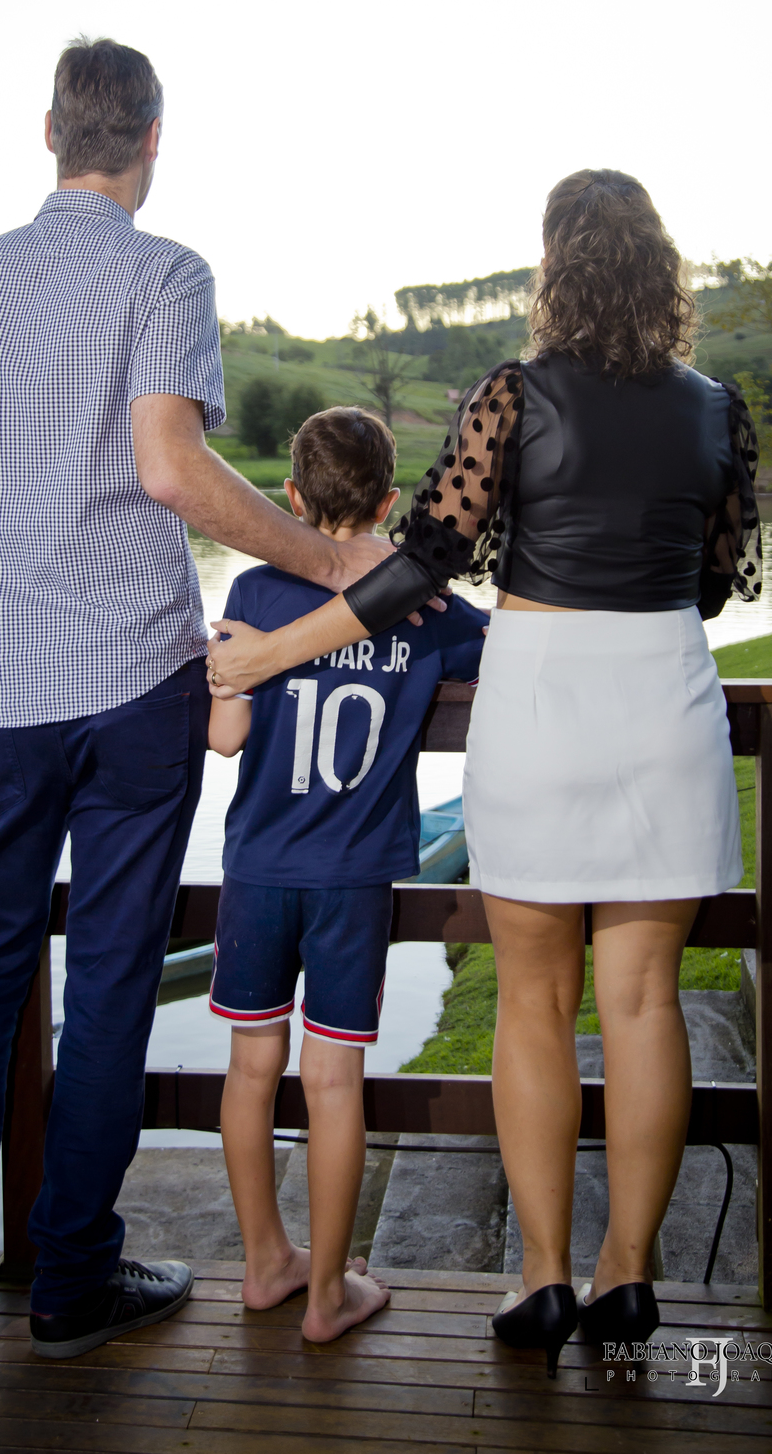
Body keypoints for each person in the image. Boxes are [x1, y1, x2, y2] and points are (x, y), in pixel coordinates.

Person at [0, 36, 392, 1372]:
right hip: (139, 691)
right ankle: (68, 1288)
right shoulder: (166, 272)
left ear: (49, 132)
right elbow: (170, 468)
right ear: (154, 139)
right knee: (104, 991)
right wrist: (328, 562)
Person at [206, 169, 760, 1378]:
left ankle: (544, 1277)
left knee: (533, 1003)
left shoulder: (513, 394)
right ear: (660, 267)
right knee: (646, 1002)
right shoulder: (719, 408)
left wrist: (272, 654)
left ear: (556, 265)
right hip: (665, 700)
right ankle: (630, 1273)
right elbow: (717, 582)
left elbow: (418, 566)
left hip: (541, 702)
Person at [204, 406, 489, 1340]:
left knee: (252, 1069)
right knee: (333, 1083)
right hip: (353, 878)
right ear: (389, 503)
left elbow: (225, 736)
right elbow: (507, 649)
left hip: (258, 868)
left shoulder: (254, 589)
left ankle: (263, 1265)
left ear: (291, 497)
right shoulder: (426, 608)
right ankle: (328, 1294)